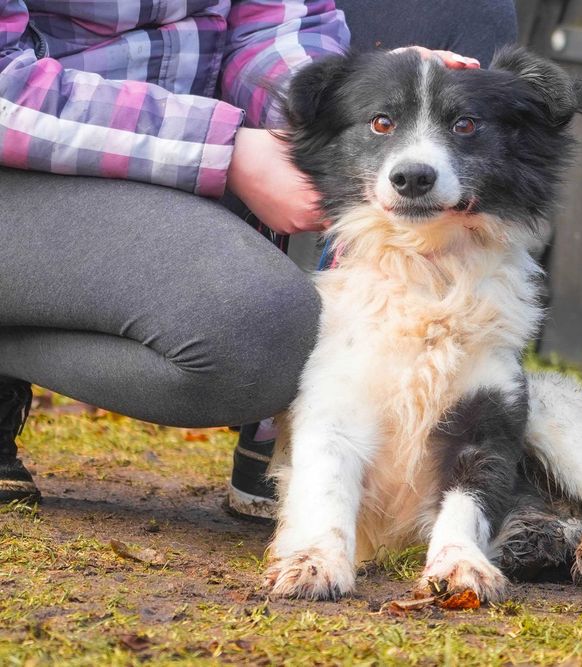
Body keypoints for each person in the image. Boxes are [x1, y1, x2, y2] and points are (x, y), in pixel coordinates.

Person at [0, 1, 518, 516]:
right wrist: (222, 152)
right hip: (24, 163)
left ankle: (392, 425)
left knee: (455, 13)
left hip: (199, 139)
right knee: (259, 336)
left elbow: (274, 25)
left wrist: (348, 99)